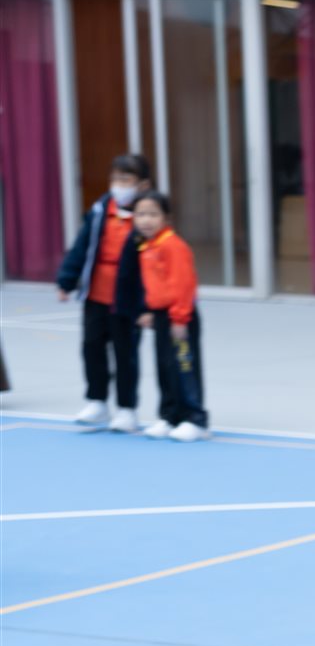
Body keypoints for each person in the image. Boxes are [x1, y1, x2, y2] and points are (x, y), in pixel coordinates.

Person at [55, 153, 152, 432]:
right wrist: (66, 280)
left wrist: (148, 303)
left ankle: (126, 408)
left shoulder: (147, 215)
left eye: (126, 180)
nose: (119, 185)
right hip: (96, 295)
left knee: (125, 354)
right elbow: (81, 247)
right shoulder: (100, 210)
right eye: (115, 179)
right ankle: (96, 401)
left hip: (127, 300)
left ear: (142, 184)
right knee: (92, 348)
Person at [129, 192, 207, 442]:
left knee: (184, 367)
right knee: (164, 367)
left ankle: (195, 419)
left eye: (153, 214)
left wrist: (180, 318)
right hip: (162, 316)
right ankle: (170, 416)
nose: (146, 220)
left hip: (180, 317)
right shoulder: (146, 246)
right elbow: (154, 285)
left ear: (166, 218)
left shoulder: (173, 245)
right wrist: (149, 310)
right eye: (141, 214)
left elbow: (183, 284)